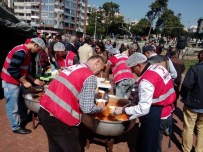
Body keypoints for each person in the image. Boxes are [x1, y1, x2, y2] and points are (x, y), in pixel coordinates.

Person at [38, 55, 105, 152]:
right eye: (100, 69)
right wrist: (100, 108)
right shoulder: (90, 76)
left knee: (55, 147)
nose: (99, 73)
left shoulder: (73, 67)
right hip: (60, 118)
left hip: (44, 111)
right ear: (97, 62)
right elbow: (87, 108)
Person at [114, 52, 176, 152]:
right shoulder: (158, 67)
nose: (133, 72)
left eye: (133, 69)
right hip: (167, 111)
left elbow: (143, 109)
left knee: (150, 146)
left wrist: (124, 110)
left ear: (139, 65)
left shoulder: (146, 81)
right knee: (153, 143)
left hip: (157, 115)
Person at [1, 37, 45, 134]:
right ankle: (15, 127)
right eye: (39, 49)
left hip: (15, 82)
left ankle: (18, 122)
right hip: (10, 82)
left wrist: (34, 80)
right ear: (35, 45)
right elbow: (12, 69)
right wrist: (24, 82)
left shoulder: (27, 53)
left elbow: (24, 70)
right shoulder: (21, 52)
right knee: (13, 106)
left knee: (16, 104)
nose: (38, 52)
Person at [180, 50, 203, 152]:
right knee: (201, 128)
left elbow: (186, 85)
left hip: (193, 103)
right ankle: (199, 149)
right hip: (195, 102)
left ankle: (187, 149)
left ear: (201, 56)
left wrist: (184, 97)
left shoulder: (195, 69)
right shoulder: (195, 69)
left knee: (189, 127)